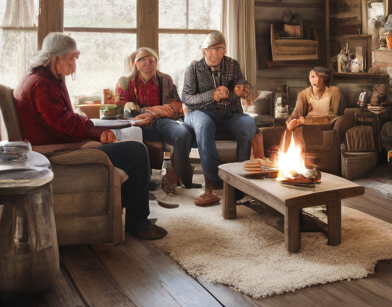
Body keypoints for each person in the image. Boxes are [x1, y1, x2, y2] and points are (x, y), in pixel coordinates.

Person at [14, 32, 167, 240]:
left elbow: (61, 118)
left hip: (56, 142)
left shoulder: (44, 78)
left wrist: (91, 127)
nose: (74, 67)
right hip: (55, 151)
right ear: (55, 58)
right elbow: (62, 122)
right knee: (137, 151)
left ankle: (121, 211)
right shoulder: (42, 84)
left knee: (130, 148)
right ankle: (138, 223)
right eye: (71, 60)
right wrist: (96, 131)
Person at [181, 31, 257, 206]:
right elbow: (187, 99)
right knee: (204, 124)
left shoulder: (233, 65)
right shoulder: (193, 69)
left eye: (219, 49)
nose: (214, 54)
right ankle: (214, 182)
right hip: (200, 113)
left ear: (224, 49)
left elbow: (242, 85)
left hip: (230, 115)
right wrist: (212, 95)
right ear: (204, 50)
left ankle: (239, 179)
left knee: (248, 124)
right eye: (210, 49)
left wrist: (243, 89)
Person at [116, 47, 199, 188]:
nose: (148, 63)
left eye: (152, 60)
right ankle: (144, 181)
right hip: (138, 123)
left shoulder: (165, 79)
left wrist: (146, 111)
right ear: (136, 64)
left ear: (157, 63)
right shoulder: (125, 81)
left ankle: (185, 179)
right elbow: (122, 109)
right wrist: (157, 110)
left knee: (183, 134)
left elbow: (175, 107)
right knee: (132, 136)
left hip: (162, 121)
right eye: (142, 60)